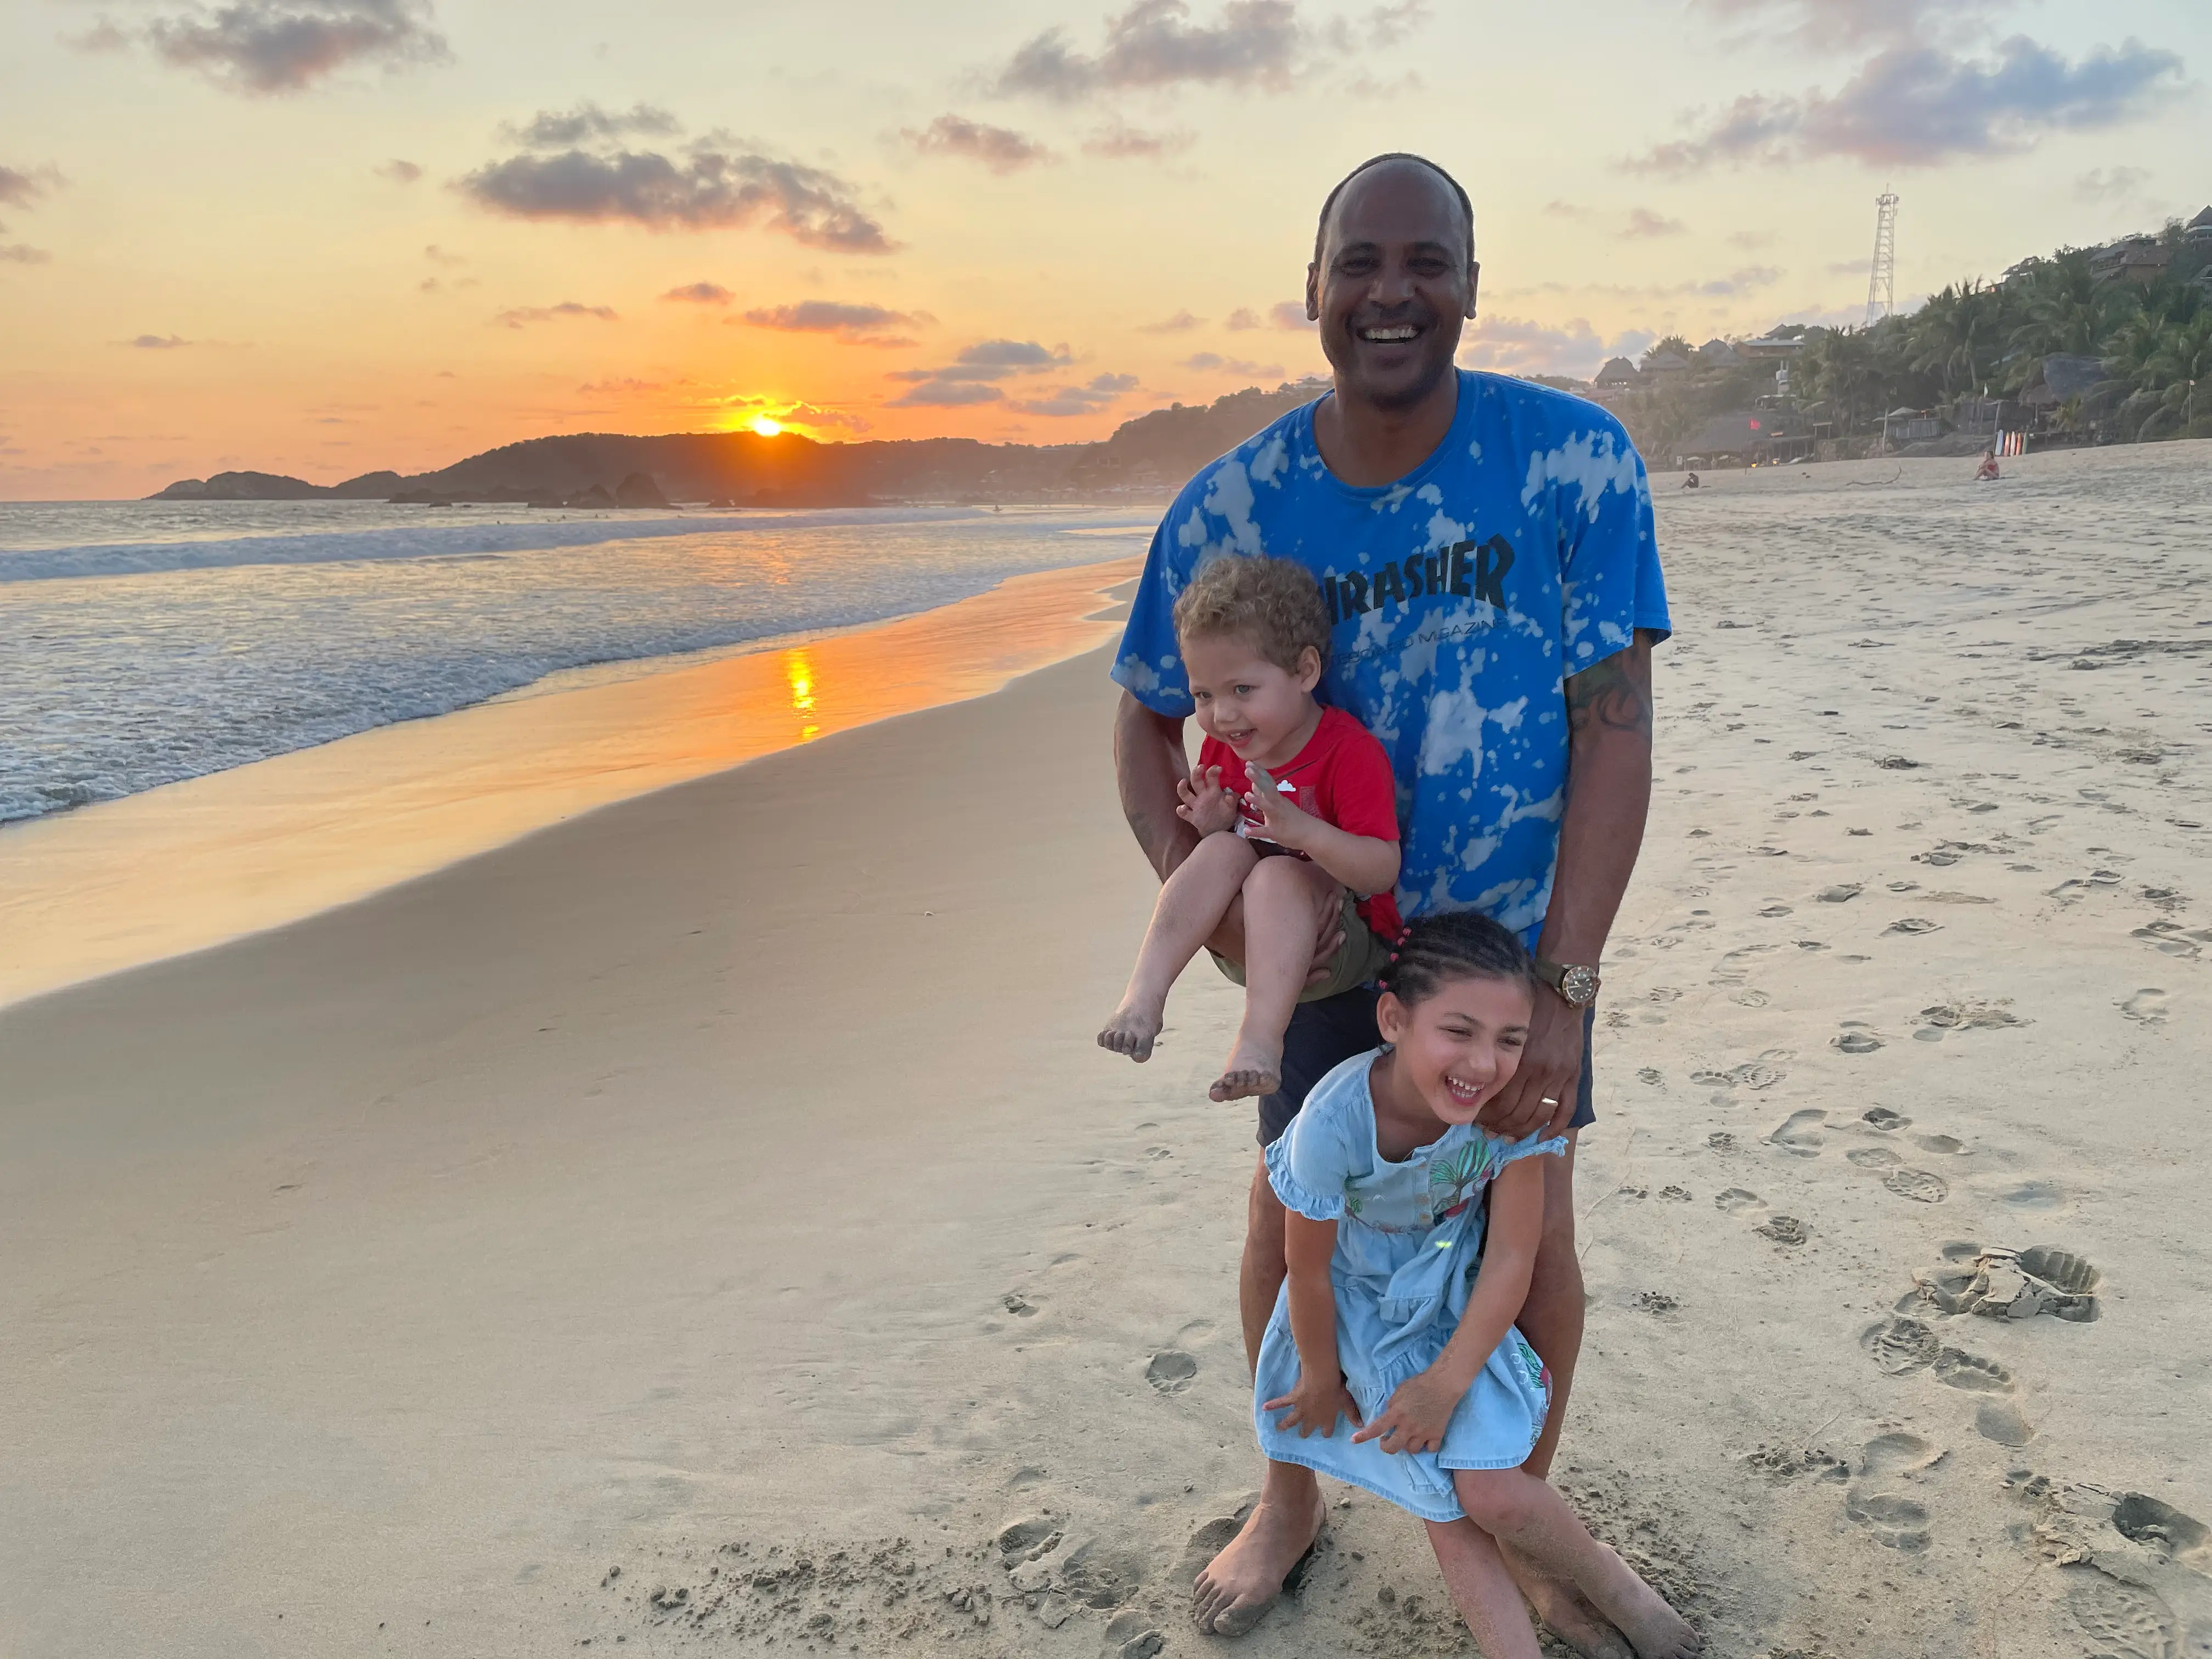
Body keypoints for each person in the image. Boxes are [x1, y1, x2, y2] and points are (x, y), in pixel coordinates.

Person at [1112, 150, 1666, 1653]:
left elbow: (1618, 723)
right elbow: (1148, 709)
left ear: (1471, 291)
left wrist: (1565, 980)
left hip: (1504, 955)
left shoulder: (1574, 462)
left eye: (1426, 262)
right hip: (1341, 942)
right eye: (1360, 261)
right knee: (1289, 1208)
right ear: (1314, 289)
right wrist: (1220, 915)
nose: (1391, 291)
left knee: (1530, 1238)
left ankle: (1500, 1498)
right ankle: (1289, 1494)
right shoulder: (1236, 498)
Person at [1258, 912, 1701, 1659]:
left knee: (1492, 1492)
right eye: (1458, 1032)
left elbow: (1509, 1259)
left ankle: (1617, 1588)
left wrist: (1448, 1382)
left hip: (1457, 1302)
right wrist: (1318, 1373)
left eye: (1509, 1039)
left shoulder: (1513, 1107)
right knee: (1447, 1505)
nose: (1484, 1064)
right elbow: (1305, 1269)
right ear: (1394, 1018)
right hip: (1366, 1313)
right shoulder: (1332, 1124)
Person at [1098, 555, 1402, 1102]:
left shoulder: (1347, 751)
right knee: (1217, 857)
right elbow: (1235, 845)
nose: (1221, 716)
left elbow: (1381, 872)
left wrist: (1305, 833)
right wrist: (1215, 823)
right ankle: (1143, 997)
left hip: (1338, 943)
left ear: (1305, 672)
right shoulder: (1228, 747)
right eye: (1203, 696)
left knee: (1277, 876)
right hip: (1254, 944)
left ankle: (1260, 1040)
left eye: (1242, 689)